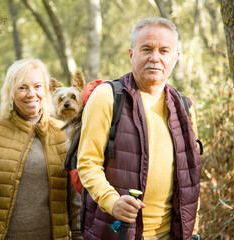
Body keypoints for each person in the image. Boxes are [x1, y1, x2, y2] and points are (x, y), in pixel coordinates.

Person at [77, 17, 201, 240]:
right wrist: (112, 202)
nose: (155, 58)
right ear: (131, 54)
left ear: (176, 57)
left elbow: (190, 175)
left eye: (164, 51)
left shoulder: (184, 107)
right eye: (146, 49)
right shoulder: (108, 97)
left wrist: (193, 228)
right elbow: (87, 163)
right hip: (116, 232)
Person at [0, 58, 83, 240]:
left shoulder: (63, 133)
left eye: (37, 86)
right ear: (11, 92)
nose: (31, 94)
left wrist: (78, 235)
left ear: (46, 90)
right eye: (22, 87)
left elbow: (76, 196)